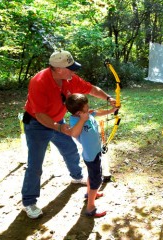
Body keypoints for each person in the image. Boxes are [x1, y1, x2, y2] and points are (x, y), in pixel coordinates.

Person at [21, 50, 116, 219]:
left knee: (70, 149)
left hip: (58, 122)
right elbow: (41, 115)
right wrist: (58, 127)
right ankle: (29, 202)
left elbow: (91, 89)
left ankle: (77, 177)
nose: (74, 71)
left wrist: (108, 98)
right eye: (70, 68)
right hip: (37, 124)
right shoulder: (39, 82)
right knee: (35, 164)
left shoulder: (69, 79)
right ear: (58, 69)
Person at [65, 93, 118, 218]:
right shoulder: (76, 120)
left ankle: (90, 194)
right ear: (78, 112)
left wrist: (112, 110)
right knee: (96, 180)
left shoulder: (87, 114)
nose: (88, 107)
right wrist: (83, 120)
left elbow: (98, 112)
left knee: (92, 175)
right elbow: (74, 133)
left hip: (96, 151)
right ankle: (90, 208)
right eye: (86, 106)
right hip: (90, 155)